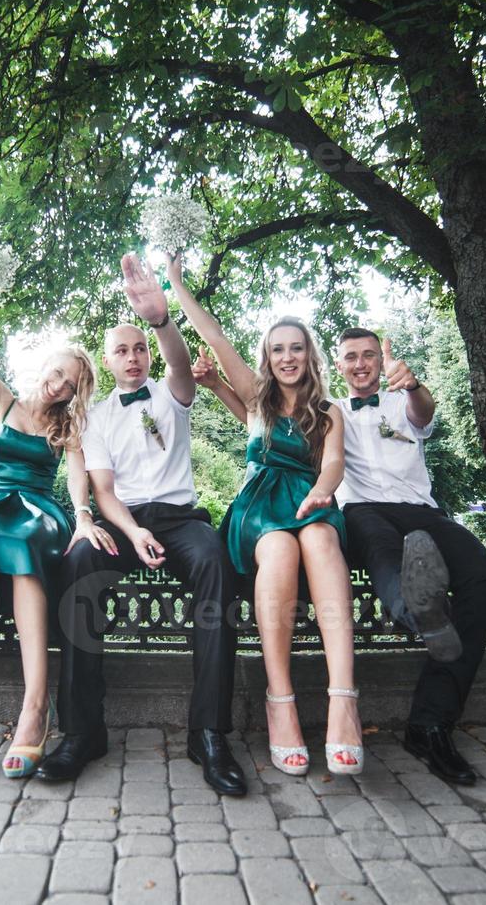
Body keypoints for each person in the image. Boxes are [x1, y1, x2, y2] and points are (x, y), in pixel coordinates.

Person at [38, 255, 246, 796]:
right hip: (126, 520)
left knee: (216, 566)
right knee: (80, 561)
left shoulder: (171, 393)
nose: (133, 357)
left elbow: (180, 364)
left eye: (140, 348)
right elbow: (103, 491)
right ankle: (82, 732)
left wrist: (160, 319)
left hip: (181, 520)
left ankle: (208, 734)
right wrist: (130, 534)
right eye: (122, 350)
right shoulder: (98, 415)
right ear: (107, 362)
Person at [170, 256, 364, 777]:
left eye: (295, 347)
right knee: (278, 547)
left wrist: (323, 493)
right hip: (260, 508)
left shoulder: (329, 412)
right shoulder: (257, 397)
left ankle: (343, 700)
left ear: (310, 355)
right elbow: (213, 337)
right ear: (267, 357)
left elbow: (335, 464)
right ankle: (282, 703)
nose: (286, 356)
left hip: (310, 500)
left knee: (321, 541)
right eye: (277, 348)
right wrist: (177, 286)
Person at [0, 247, 109, 779]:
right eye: (57, 374)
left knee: (25, 540)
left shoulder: (66, 429)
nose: (58, 387)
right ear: (46, 367)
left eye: (70, 385)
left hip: (39, 512)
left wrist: (82, 515)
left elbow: (78, 475)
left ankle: (35, 709)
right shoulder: (4, 403)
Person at [331, 328, 486, 786]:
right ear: (339, 366)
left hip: (422, 510)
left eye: (369, 354)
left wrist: (411, 383)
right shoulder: (329, 413)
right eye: (351, 357)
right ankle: (419, 613)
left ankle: (429, 724)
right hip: (362, 510)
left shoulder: (401, 399)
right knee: (385, 556)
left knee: (484, 577)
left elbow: (423, 412)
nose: (362, 363)